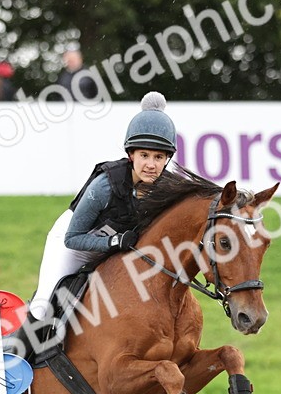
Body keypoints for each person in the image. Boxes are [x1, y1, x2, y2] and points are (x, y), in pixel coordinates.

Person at [26, 91, 176, 323]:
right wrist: (114, 242)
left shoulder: (166, 188)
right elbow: (72, 239)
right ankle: (20, 345)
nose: (151, 165)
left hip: (114, 252)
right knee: (43, 308)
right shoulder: (105, 186)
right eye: (144, 155)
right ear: (131, 155)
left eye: (158, 157)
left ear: (167, 159)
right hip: (72, 244)